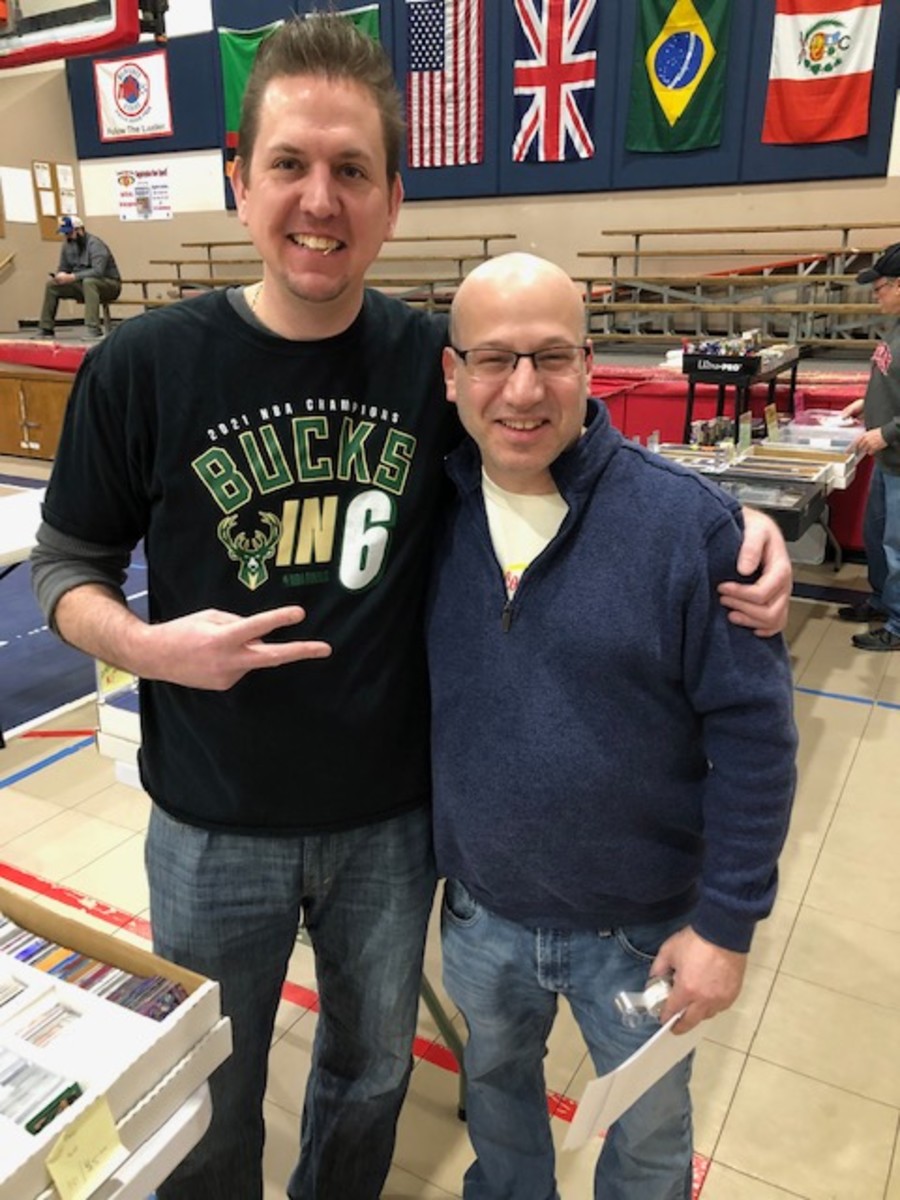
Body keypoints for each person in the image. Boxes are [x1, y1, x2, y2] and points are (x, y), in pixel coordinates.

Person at [31, 17, 791, 1200]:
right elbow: (63, 567)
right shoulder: (143, 367)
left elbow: (556, 430)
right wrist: (142, 645)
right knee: (213, 1086)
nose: (318, 200)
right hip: (210, 821)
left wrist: (729, 529)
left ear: (393, 198)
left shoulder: (433, 363)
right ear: (241, 182)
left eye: (350, 171)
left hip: (391, 830)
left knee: (372, 1074)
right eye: (289, 164)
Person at [427, 253, 798, 1200]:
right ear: (451, 373)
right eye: (493, 360)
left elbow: (756, 741)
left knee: (648, 1138)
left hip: (639, 933)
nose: (522, 390)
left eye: (550, 357)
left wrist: (727, 925)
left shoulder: (692, 529)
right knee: (499, 1101)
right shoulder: (424, 510)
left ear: (590, 364)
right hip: (482, 914)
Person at [834, 242, 900, 651]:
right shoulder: (895, 324)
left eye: (880, 287)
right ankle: (881, 602)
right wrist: (867, 403)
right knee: (876, 536)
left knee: (897, 547)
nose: (876, 294)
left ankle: (898, 625)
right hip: (886, 457)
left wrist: (888, 432)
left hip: (896, 454)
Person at [39, 214, 121, 338]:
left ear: (80, 230)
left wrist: (72, 277)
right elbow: (64, 267)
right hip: (82, 284)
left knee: (89, 282)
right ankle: (46, 328)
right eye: (65, 234)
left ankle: (93, 328)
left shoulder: (95, 244)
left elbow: (98, 271)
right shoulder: (67, 245)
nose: (67, 237)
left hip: (109, 285)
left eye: (69, 233)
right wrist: (61, 275)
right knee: (52, 286)